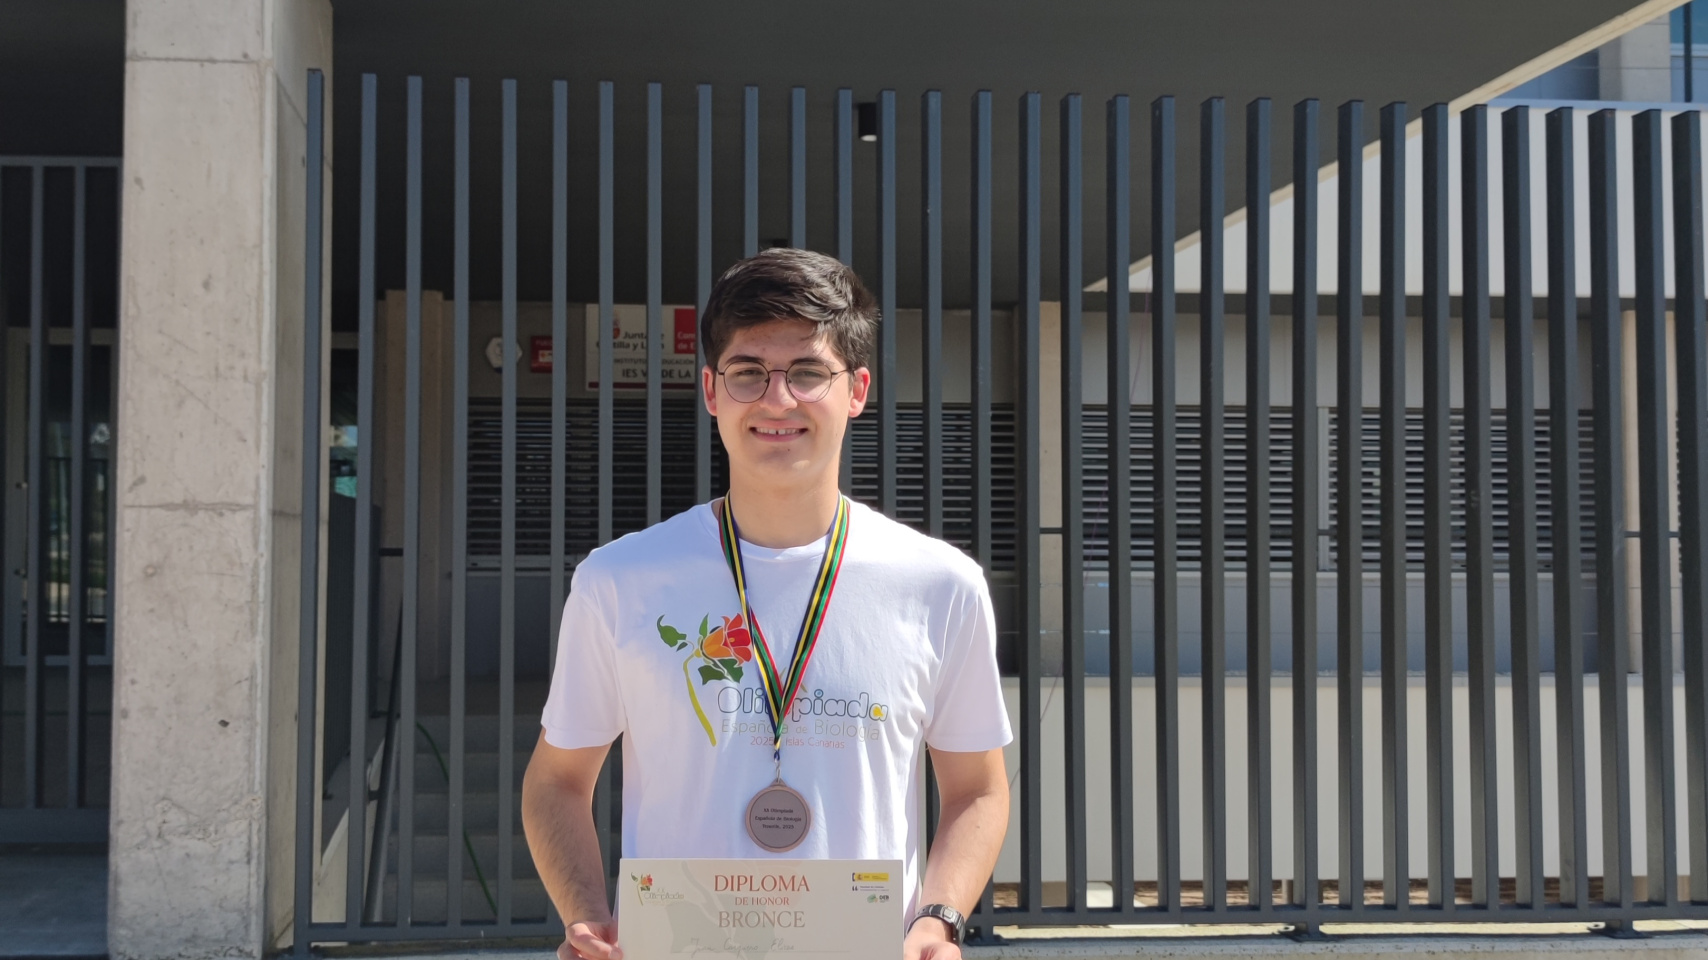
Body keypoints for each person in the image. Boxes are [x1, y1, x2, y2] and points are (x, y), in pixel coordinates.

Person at [522, 248, 1012, 960]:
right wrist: (587, 916)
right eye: (749, 372)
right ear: (713, 392)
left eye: (808, 372)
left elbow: (977, 790)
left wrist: (936, 921)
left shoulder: (940, 585)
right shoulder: (620, 581)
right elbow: (558, 780)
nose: (777, 399)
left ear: (858, 391)